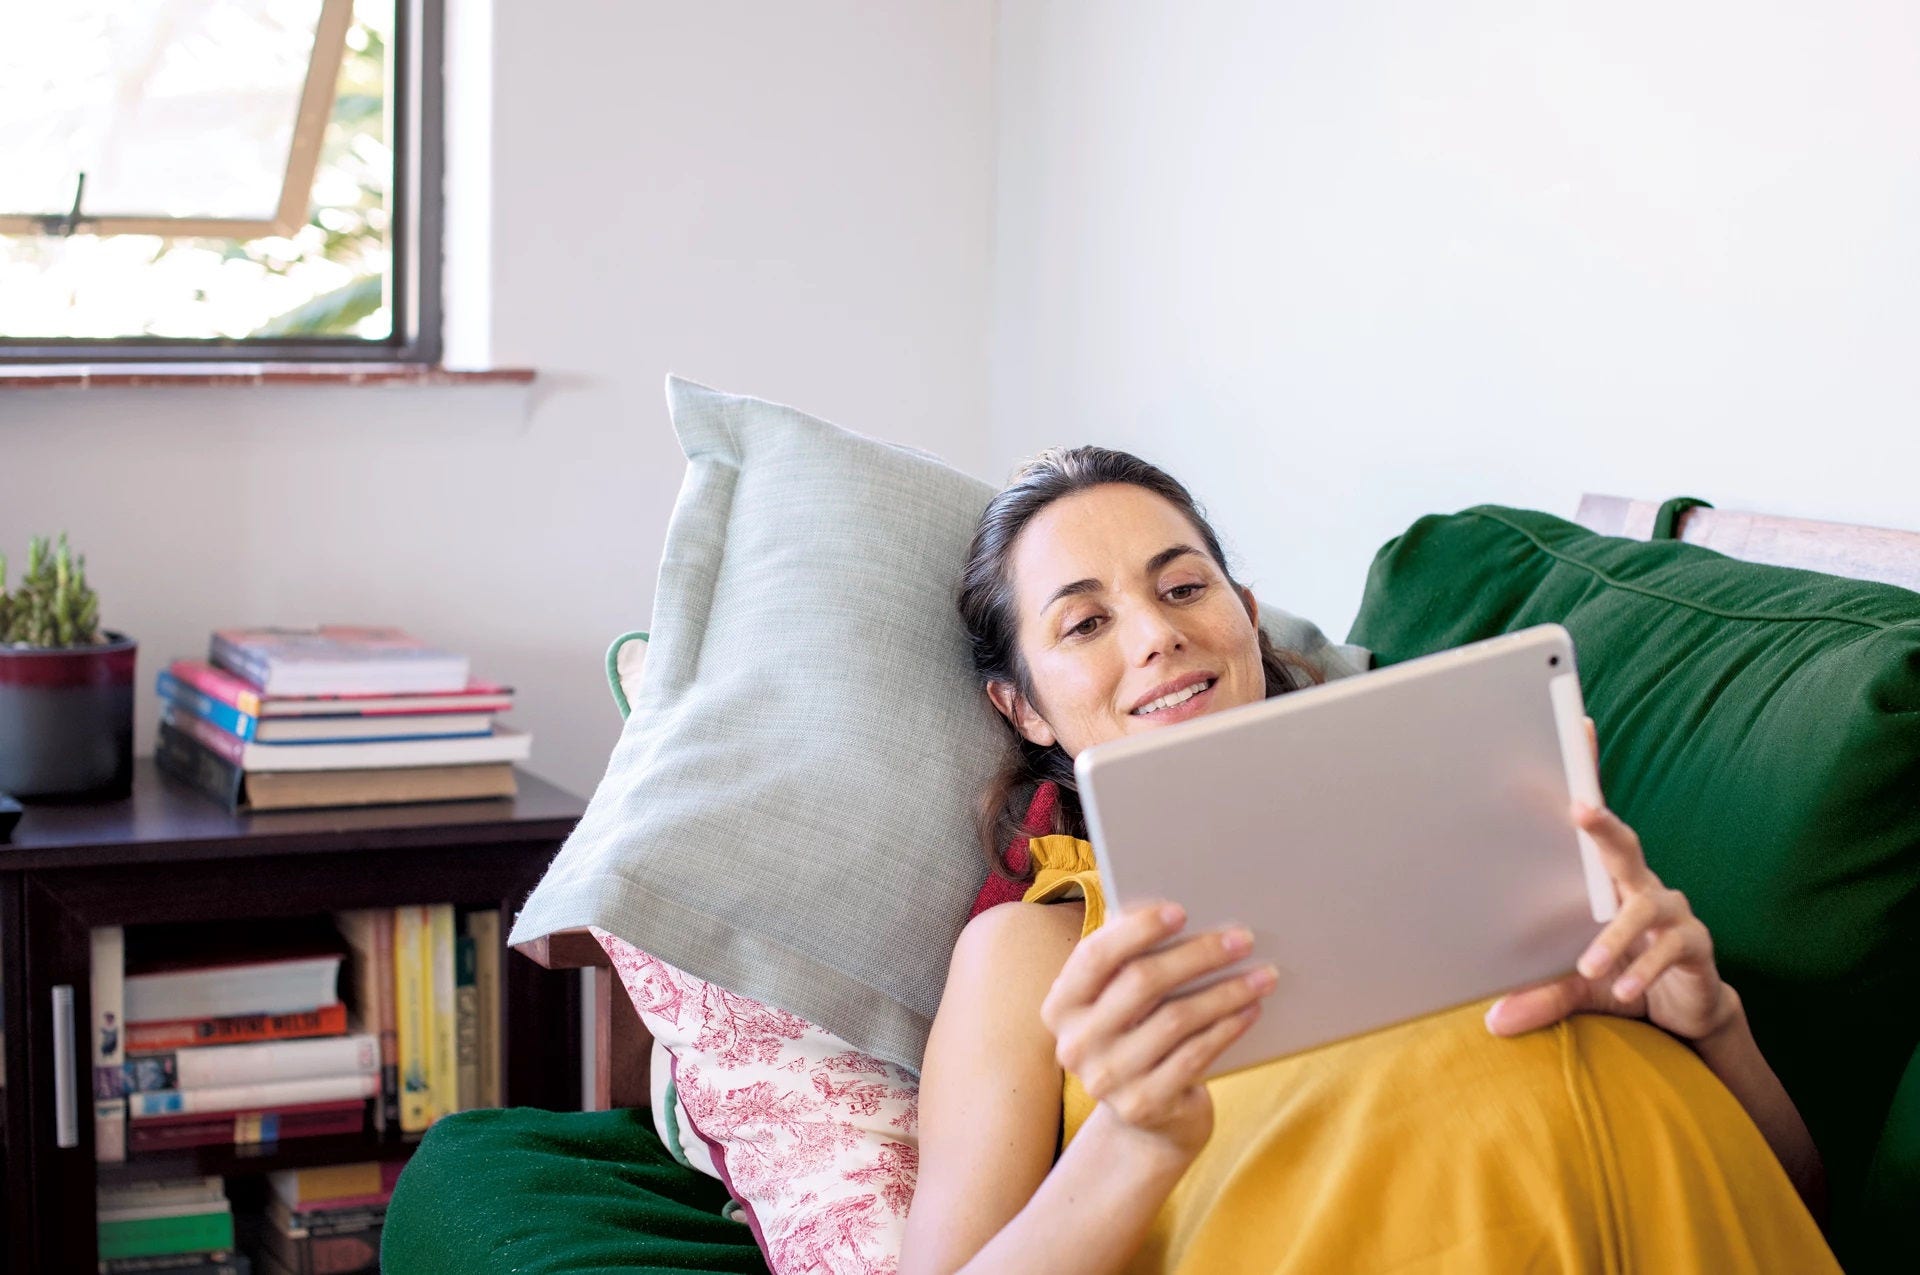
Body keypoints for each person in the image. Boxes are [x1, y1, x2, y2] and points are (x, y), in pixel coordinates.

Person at [899, 447, 1838, 1274]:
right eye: (1084, 623)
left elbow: (1806, 1201)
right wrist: (1132, 1144)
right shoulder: (1037, 946)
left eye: (1183, 587)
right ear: (1021, 707)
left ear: (1247, 616)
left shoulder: (1494, 810)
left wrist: (1716, 1027)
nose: (1157, 635)